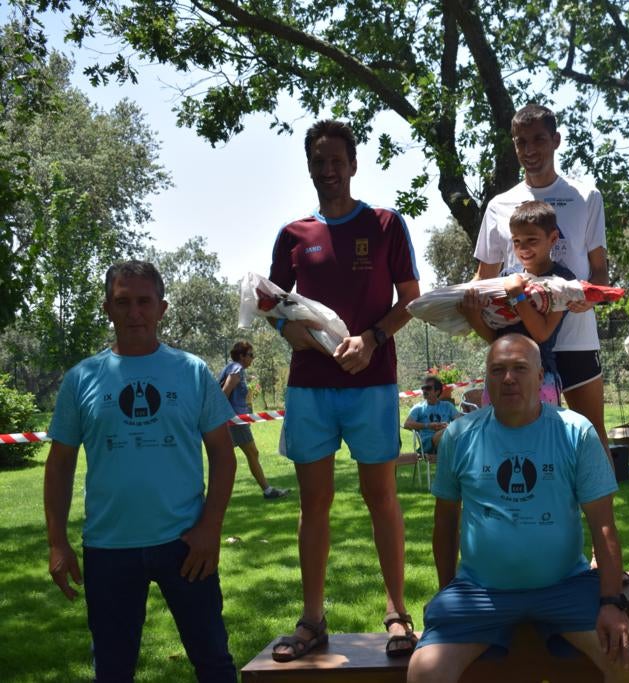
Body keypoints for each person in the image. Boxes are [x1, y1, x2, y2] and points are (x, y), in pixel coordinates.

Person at [407, 334, 629, 683]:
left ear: (540, 377)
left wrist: (611, 603)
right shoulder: (459, 436)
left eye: (520, 368)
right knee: (425, 672)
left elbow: (603, 525)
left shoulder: (575, 432)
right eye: (497, 369)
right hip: (480, 591)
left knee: (628, 658)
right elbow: (444, 523)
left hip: (566, 585)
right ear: (486, 379)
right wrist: (448, 593)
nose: (508, 378)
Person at [267, 119, 421, 661]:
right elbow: (275, 310)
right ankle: (312, 620)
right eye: (318, 161)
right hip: (311, 388)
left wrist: (373, 338)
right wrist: (298, 336)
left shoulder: (385, 225)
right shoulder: (292, 236)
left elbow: (410, 301)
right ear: (309, 166)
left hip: (371, 384)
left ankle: (398, 612)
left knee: (381, 496)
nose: (328, 170)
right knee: (314, 504)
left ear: (353, 165)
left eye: (337, 160)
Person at [44, 260, 237, 682]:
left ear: (162, 308)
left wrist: (210, 529)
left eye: (144, 302)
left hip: (186, 544)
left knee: (213, 661)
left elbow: (224, 456)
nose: (134, 313)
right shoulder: (82, 379)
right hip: (109, 547)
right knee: (112, 669)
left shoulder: (191, 372)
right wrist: (58, 543)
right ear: (107, 308)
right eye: (123, 302)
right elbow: (58, 466)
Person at [473, 103, 611, 451]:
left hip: (576, 338)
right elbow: (484, 277)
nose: (530, 150)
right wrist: (474, 316)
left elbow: (599, 268)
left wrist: (588, 298)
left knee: (591, 438)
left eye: (538, 140)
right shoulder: (499, 205)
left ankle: (602, 508)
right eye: (521, 142)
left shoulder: (586, 196)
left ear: (556, 140)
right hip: (521, 341)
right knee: (521, 444)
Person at [462, 199, 572, 405]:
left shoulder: (562, 281)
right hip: (499, 376)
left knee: (540, 436)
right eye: (516, 241)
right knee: (498, 436)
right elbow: (497, 338)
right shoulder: (506, 276)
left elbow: (541, 334)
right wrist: (474, 317)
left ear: (553, 238)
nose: (523, 248)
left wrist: (517, 295)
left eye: (532, 240)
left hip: (539, 376)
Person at [219, 341, 289, 499]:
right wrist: (224, 418)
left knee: (230, 458)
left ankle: (266, 490)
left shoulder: (233, 368)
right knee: (249, 453)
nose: (253, 358)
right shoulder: (236, 369)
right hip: (234, 420)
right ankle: (267, 491)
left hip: (233, 419)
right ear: (241, 356)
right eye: (250, 355)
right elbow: (224, 393)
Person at [404, 374, 462, 454]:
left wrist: (449, 426)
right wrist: (428, 425)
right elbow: (407, 424)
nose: (424, 391)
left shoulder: (447, 406)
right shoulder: (418, 408)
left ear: (437, 391)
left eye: (428, 388)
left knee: (455, 431)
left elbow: (460, 421)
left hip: (447, 438)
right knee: (447, 433)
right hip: (428, 443)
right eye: (423, 388)